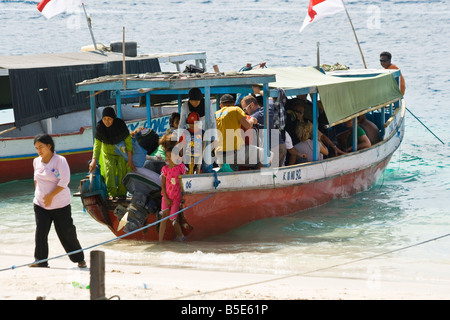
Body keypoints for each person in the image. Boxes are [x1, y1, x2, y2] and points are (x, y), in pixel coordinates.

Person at [31, 134, 86, 268]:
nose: (39, 151)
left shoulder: (60, 160)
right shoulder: (36, 161)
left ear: (49, 146)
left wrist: (50, 196)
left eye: (41, 147)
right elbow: (36, 179)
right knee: (41, 232)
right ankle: (40, 261)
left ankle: (80, 260)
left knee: (67, 232)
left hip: (60, 204)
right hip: (40, 204)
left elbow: (64, 180)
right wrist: (38, 194)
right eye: (37, 148)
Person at [89, 107, 136, 200]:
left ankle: (122, 194)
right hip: (107, 152)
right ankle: (112, 194)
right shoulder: (100, 127)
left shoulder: (120, 125)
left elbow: (128, 142)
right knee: (109, 171)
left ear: (113, 118)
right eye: (104, 119)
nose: (106, 121)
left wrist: (130, 159)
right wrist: (94, 160)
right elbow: (97, 145)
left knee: (122, 170)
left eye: (109, 119)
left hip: (121, 152)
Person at [215, 94, 266, 169]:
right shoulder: (236, 109)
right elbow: (248, 125)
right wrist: (252, 120)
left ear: (221, 105)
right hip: (236, 153)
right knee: (266, 156)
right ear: (233, 103)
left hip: (220, 156)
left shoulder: (215, 114)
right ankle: (257, 180)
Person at [158, 143, 188, 243]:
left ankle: (181, 236)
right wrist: (166, 198)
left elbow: (187, 178)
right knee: (164, 216)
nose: (168, 158)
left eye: (170, 156)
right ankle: (160, 241)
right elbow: (162, 185)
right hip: (166, 196)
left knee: (173, 218)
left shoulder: (181, 167)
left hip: (176, 197)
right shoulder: (165, 169)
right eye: (166, 156)